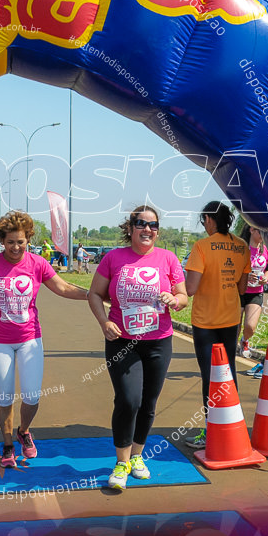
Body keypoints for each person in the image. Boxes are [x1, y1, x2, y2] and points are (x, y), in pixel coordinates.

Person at [0, 211, 88, 468]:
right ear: (2, 241)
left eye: (20, 241)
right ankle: (8, 444)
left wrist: (94, 295)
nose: (15, 247)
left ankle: (24, 430)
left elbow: (64, 287)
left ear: (28, 240)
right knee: (5, 396)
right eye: (10, 241)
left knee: (32, 396)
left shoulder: (37, 264)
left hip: (30, 339)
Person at [88, 206, 188, 490]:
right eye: (141, 224)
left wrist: (174, 299)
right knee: (128, 400)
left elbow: (183, 297)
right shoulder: (113, 258)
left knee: (148, 403)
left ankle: (137, 456)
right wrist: (104, 321)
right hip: (122, 340)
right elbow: (94, 293)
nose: (148, 230)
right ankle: (120, 463)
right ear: (130, 228)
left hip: (158, 341)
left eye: (153, 225)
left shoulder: (168, 258)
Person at [184, 201, 250, 450]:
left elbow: (190, 289)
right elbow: (242, 289)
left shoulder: (202, 246)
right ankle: (232, 426)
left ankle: (211, 431)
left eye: (204, 221)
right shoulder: (242, 246)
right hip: (231, 318)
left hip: (205, 321)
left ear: (209, 220)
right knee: (228, 373)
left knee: (209, 376)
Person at [238, 224, 268, 359]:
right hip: (239, 291)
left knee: (250, 326)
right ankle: (228, 350)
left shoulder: (265, 250)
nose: (264, 235)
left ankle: (245, 341)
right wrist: (245, 274)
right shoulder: (241, 248)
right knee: (235, 326)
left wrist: (266, 277)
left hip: (256, 292)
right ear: (252, 230)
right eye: (261, 231)